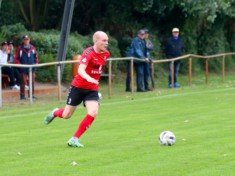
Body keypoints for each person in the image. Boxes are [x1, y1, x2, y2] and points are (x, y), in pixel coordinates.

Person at [44, 31, 110, 148]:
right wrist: (90, 78)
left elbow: (97, 68)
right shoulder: (88, 53)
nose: (106, 43)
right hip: (78, 87)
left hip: (92, 89)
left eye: (107, 41)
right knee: (66, 115)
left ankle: (74, 139)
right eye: (104, 41)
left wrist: (93, 81)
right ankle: (55, 112)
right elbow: (80, 70)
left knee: (93, 112)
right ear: (96, 41)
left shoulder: (106, 54)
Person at [15, 35, 38, 100]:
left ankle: (31, 95)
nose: (26, 41)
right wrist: (20, 65)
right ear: (23, 40)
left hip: (32, 68)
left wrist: (36, 63)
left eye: (27, 39)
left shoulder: (33, 48)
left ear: (29, 40)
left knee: (32, 81)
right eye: (25, 39)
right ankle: (22, 96)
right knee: (23, 82)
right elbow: (16, 58)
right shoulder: (20, 48)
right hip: (23, 68)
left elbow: (36, 56)